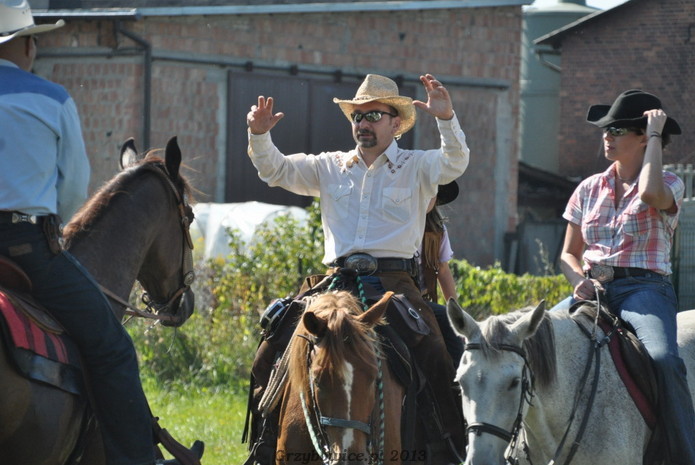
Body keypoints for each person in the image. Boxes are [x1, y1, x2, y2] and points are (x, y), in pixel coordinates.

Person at [0, 2, 194, 464]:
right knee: (113, 350)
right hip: (27, 249)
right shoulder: (53, 99)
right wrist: (52, 226)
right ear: (27, 45)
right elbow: (73, 189)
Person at [246, 73, 469, 463]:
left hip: (396, 284)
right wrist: (259, 135)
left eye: (373, 116)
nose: (363, 123)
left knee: (437, 353)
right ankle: (263, 446)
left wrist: (446, 119)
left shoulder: (418, 166)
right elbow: (275, 170)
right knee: (269, 347)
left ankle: (451, 449)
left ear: (395, 123)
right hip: (333, 282)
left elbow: (455, 162)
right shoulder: (329, 166)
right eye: (357, 116)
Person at [552, 89, 695, 465]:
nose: (607, 136)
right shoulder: (587, 189)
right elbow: (568, 254)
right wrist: (577, 280)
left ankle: (684, 455)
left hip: (644, 289)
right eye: (605, 129)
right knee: (536, 342)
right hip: (592, 288)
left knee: (664, 360)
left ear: (643, 138)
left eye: (616, 130)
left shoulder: (669, 183)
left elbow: (649, 194)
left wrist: (656, 134)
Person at [417, 181, 464, 368]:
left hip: (419, 299)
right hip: (392, 290)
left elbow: (442, 270)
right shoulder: (394, 223)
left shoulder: (437, 230)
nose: (427, 197)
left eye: (432, 192)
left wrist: (456, 313)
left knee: (449, 323)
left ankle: (457, 379)